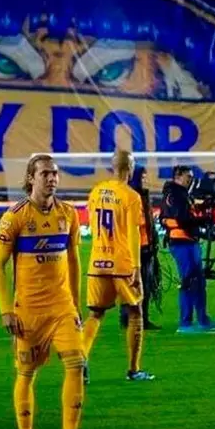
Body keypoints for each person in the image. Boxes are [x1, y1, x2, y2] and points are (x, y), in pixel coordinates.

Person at [0, 154, 92, 429]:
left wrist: (74, 303)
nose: (52, 178)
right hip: (29, 311)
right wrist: (6, 309)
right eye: (45, 173)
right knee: (27, 373)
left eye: (55, 173)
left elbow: (73, 260)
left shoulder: (69, 214)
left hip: (61, 308)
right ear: (31, 178)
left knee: (76, 364)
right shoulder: (15, 216)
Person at [81, 149, 154, 383]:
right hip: (122, 262)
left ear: (113, 167)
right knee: (135, 312)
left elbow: (92, 225)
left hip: (98, 260)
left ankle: (80, 361)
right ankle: (134, 369)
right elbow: (133, 232)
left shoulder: (96, 192)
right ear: (130, 169)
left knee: (95, 314)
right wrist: (136, 267)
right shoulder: (131, 196)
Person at [162, 167, 215, 333]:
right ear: (178, 176)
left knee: (197, 281)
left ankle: (202, 320)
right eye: (188, 176)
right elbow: (182, 219)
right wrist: (203, 220)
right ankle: (186, 323)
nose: (191, 180)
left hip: (186, 241)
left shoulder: (178, 194)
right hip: (182, 242)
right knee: (189, 281)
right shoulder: (175, 194)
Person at [121, 167, 160, 330]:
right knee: (133, 284)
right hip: (133, 248)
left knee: (146, 284)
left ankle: (141, 317)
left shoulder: (143, 195)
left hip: (146, 247)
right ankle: (128, 318)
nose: (145, 180)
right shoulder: (130, 196)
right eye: (142, 177)